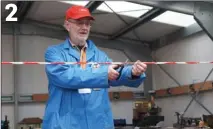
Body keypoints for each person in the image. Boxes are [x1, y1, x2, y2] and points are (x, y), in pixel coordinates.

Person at [42, 5, 147, 129]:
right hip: (65, 123)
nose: (84, 27)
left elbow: (115, 72)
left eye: (87, 23)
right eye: (79, 22)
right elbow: (64, 76)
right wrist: (103, 73)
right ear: (67, 25)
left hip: (97, 123)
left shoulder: (100, 56)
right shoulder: (55, 53)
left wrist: (133, 72)